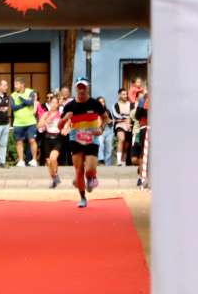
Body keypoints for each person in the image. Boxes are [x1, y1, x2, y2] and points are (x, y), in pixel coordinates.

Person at [60, 80, 109, 209]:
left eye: (84, 87)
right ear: (76, 89)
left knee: (91, 168)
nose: (81, 90)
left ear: (87, 88)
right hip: (75, 138)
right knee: (79, 170)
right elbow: (60, 125)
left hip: (92, 138)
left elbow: (106, 118)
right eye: (79, 87)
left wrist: (101, 129)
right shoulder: (69, 106)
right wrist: (65, 119)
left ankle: (91, 177)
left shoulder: (95, 103)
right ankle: (82, 197)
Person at [37, 94, 65, 189]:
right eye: (51, 103)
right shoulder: (46, 114)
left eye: (55, 103)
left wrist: (65, 128)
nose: (53, 105)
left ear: (58, 104)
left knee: (53, 158)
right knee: (49, 163)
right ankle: (54, 179)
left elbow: (67, 124)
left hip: (57, 138)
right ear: (49, 104)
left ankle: (56, 175)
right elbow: (39, 126)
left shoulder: (61, 115)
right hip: (47, 139)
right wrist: (45, 122)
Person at [11, 79, 39, 167]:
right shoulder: (12, 95)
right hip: (18, 122)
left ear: (22, 84)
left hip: (30, 122)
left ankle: (34, 160)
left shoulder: (30, 92)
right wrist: (24, 103)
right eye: (14, 84)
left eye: (17, 84)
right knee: (19, 142)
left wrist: (20, 98)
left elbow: (30, 102)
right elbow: (13, 107)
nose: (15, 86)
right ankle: (21, 160)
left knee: (32, 140)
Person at [111, 88, 134, 166]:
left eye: (126, 94)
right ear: (119, 95)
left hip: (129, 125)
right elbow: (116, 115)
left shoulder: (131, 104)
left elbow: (132, 114)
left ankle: (123, 162)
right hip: (119, 125)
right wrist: (126, 118)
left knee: (126, 145)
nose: (125, 96)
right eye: (123, 94)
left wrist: (129, 120)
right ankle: (118, 161)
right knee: (122, 139)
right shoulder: (115, 105)